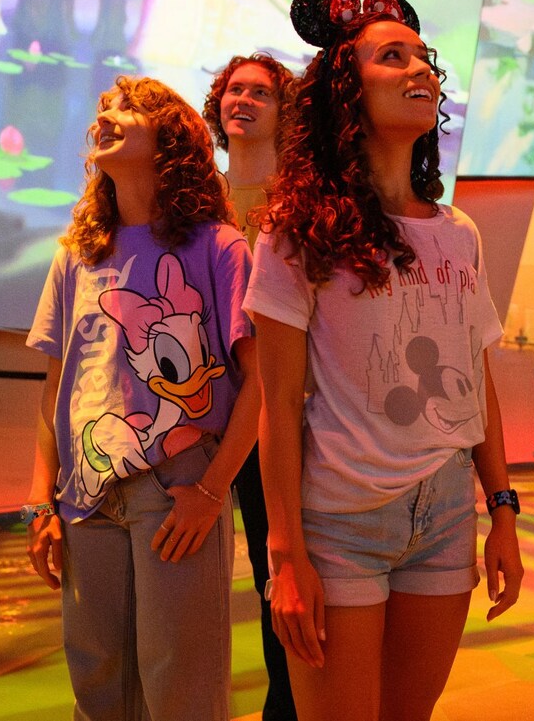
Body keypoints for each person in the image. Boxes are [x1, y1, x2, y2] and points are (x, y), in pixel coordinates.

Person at [245, 0, 523, 721]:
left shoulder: (457, 232)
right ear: (346, 93)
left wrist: (502, 510)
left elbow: (475, 382)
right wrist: (285, 553)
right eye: (392, 57)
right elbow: (276, 403)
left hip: (444, 513)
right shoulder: (294, 229)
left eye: (422, 57)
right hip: (339, 521)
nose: (421, 70)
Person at [24, 75, 260, 721]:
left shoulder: (219, 245)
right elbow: (55, 392)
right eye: (102, 106)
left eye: (126, 106)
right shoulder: (75, 255)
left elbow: (259, 385)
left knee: (180, 687)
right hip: (85, 494)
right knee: (97, 688)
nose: (106, 113)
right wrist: (39, 502)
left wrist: (212, 491)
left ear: (172, 135)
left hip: (177, 485)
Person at [202, 51, 299, 720]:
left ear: (284, 112)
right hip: (199, 416)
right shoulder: (192, 197)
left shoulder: (299, 204)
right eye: (234, 89)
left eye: (260, 92)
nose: (243, 99)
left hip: (275, 419)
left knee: (277, 581)